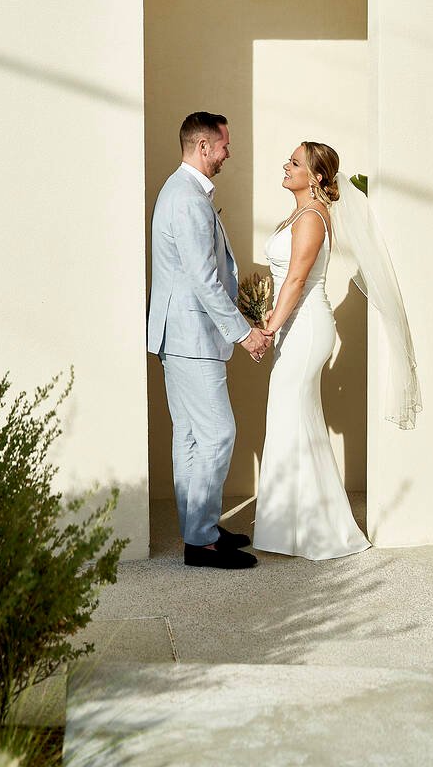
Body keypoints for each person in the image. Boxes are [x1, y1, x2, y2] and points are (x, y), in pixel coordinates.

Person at [253, 141, 421, 560]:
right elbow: (283, 282)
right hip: (292, 325)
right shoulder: (299, 214)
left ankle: (325, 530)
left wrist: (269, 327)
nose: (286, 165)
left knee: (295, 417)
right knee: (290, 418)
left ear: (317, 177)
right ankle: (287, 528)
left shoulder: (311, 218)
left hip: (306, 328)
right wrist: (271, 318)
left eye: (295, 162)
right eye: (288, 160)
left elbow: (295, 282)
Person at [147, 112, 271, 569]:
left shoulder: (180, 192)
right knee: (218, 433)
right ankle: (200, 542)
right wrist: (244, 333)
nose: (227, 153)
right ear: (203, 146)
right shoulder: (187, 198)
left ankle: (200, 531)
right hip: (191, 334)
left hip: (178, 333)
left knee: (194, 437)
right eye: (223, 145)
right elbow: (203, 278)